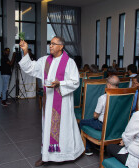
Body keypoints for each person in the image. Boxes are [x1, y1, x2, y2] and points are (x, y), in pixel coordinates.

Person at [19, 37, 84, 166]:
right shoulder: (45, 61)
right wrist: (25, 51)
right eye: (50, 43)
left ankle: (67, 154)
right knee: (47, 126)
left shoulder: (69, 62)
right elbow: (30, 67)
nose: (50, 46)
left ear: (61, 46)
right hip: (48, 101)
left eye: (54, 44)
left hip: (63, 102)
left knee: (64, 128)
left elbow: (75, 81)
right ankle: (46, 155)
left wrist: (60, 83)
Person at [79, 75, 120, 156]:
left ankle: (88, 148)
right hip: (116, 125)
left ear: (108, 85)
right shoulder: (124, 96)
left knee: (82, 122)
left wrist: (95, 114)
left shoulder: (103, 98)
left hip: (103, 125)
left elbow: (95, 116)